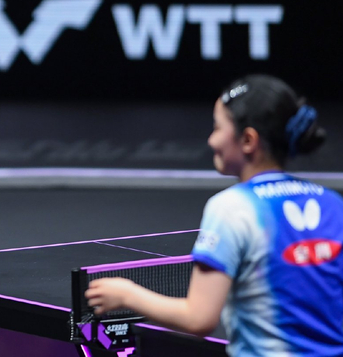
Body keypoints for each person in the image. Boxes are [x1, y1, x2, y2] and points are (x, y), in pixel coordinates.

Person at [86, 74, 343, 356]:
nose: (210, 140)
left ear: (248, 140)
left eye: (217, 127)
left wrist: (127, 295)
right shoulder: (332, 203)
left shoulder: (232, 207)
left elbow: (199, 318)